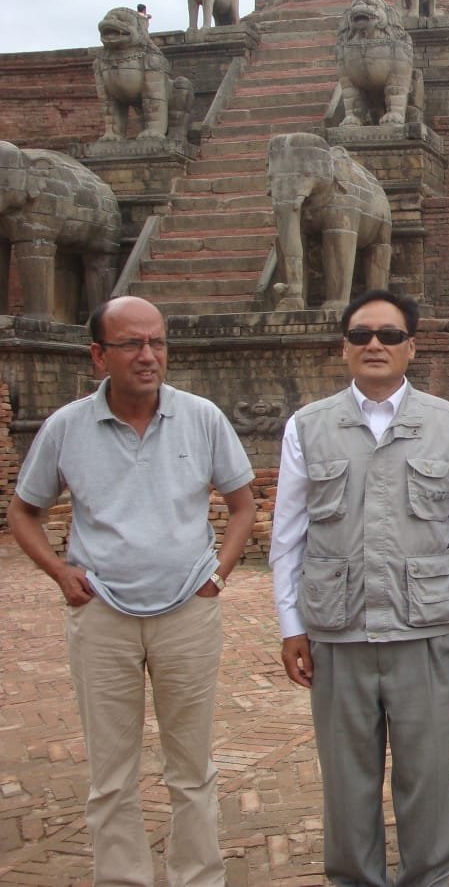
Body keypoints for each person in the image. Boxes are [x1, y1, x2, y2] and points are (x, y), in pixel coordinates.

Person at [8, 295, 255, 887]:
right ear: (99, 356)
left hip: (188, 612)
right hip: (102, 616)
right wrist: (60, 572)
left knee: (192, 768)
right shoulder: (67, 427)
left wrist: (218, 574)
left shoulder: (201, 417)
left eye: (157, 342)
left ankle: (198, 877)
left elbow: (243, 504)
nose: (149, 356)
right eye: (132, 344)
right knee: (111, 774)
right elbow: (23, 511)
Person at [269, 289, 449, 887]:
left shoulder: (448, 424)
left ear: (410, 347)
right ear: (343, 347)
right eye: (361, 334)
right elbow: (288, 535)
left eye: (389, 335)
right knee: (346, 780)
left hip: (426, 631)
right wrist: (291, 625)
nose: (375, 344)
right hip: (338, 632)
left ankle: (430, 877)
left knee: (427, 776)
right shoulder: (308, 427)